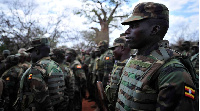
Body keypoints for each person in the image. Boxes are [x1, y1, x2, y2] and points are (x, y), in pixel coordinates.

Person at [116, 2, 197, 111]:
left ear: (154, 29)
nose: (126, 32)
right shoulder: (135, 58)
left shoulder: (172, 72)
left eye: (134, 26)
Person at [17, 37, 66, 111]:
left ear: (37, 51)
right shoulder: (55, 65)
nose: (30, 55)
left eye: (31, 52)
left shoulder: (37, 67)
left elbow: (41, 98)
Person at [105, 36, 131, 111]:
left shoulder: (129, 66)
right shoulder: (118, 64)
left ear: (122, 48)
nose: (112, 52)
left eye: (114, 49)